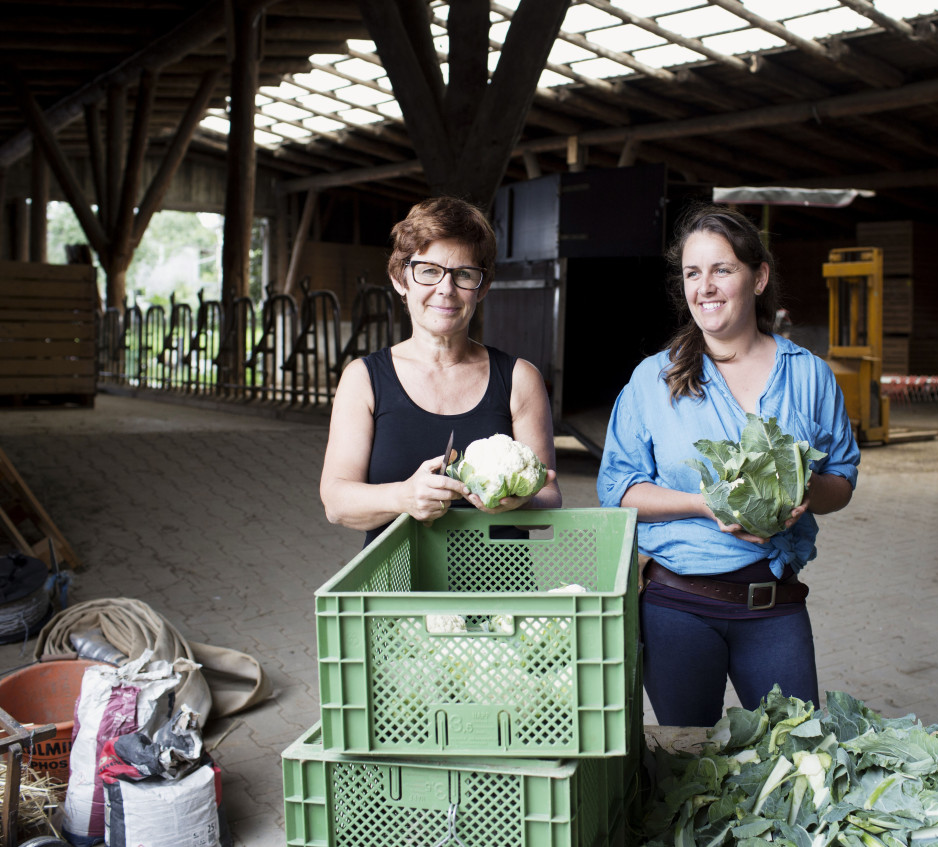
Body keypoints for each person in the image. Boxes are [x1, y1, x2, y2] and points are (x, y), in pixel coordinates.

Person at [596, 203, 859, 728]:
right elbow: (618, 490)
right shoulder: (654, 380)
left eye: (722, 270)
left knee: (795, 755)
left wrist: (806, 495)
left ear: (758, 278)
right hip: (677, 606)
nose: (705, 287)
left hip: (773, 604)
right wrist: (703, 504)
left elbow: (843, 478)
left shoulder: (809, 376)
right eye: (694, 273)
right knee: (688, 772)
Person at [320, 196, 561, 546]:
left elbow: (550, 498)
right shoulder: (364, 379)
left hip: (500, 591)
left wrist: (523, 501)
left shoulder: (520, 379)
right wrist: (403, 497)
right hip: (398, 590)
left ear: (483, 287)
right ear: (400, 279)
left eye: (464, 274)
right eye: (429, 271)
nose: (445, 289)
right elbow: (336, 503)